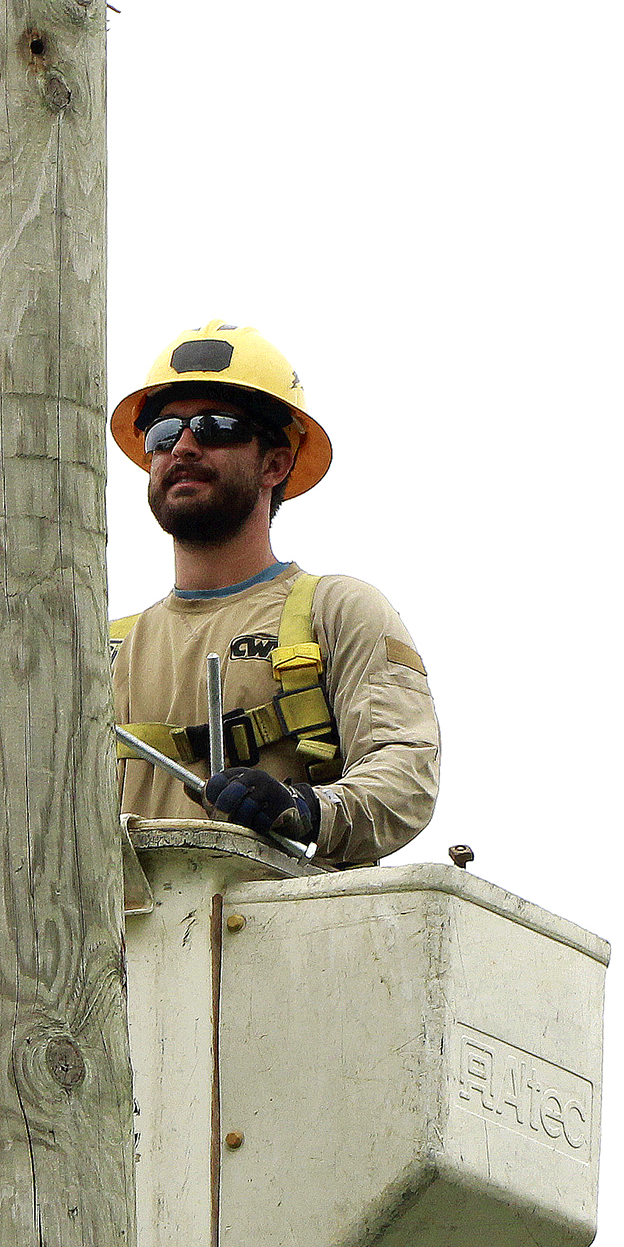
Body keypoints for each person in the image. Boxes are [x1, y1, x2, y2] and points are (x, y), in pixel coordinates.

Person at [108, 320, 437, 866]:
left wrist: (305, 809)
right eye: (164, 433)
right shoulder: (106, 650)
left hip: (285, 913)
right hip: (135, 920)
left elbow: (405, 772)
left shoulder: (336, 612)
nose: (183, 447)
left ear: (275, 463)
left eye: (216, 427)